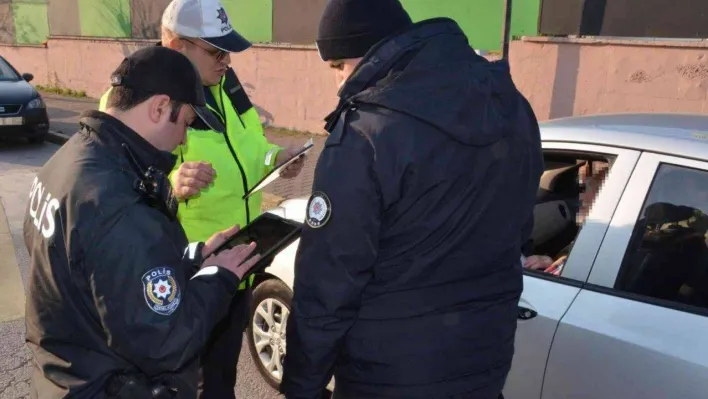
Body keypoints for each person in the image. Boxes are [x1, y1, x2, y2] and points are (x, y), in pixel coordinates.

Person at [279, 1, 544, 398]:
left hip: (389, 373)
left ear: (371, 53)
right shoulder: (512, 106)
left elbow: (329, 283)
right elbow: (519, 225)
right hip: (484, 357)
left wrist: (302, 386)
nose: (337, 83)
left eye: (338, 66)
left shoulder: (365, 134)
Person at [23, 46, 262, 398]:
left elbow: (95, 271)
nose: (183, 138)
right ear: (160, 108)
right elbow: (167, 342)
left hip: (63, 375)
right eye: (185, 123)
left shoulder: (69, 158)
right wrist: (219, 278)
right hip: (106, 384)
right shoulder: (122, 204)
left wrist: (189, 260)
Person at [97, 1, 306, 396]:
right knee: (184, 384)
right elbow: (113, 185)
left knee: (221, 377)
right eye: (216, 51)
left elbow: (249, 145)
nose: (227, 60)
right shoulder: (133, 96)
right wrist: (174, 182)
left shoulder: (225, 82)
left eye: (227, 50)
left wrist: (275, 158)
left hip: (238, 260)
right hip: (182, 274)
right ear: (177, 48)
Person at [524, 164, 609, 275]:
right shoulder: (596, 239)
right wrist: (550, 262)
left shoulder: (597, 248)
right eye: (583, 189)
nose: (582, 197)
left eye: (588, 190)